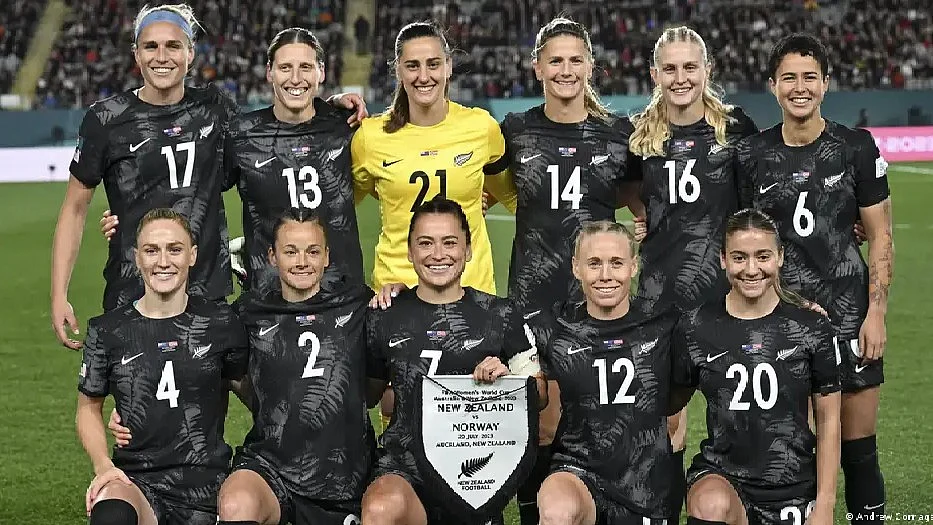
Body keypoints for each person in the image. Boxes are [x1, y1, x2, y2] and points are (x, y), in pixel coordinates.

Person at [111, 208, 376, 525]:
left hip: (343, 475)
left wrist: (396, 291)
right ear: (272, 256)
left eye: (312, 251)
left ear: (327, 256)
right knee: (237, 502)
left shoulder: (361, 304)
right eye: (290, 251)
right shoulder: (246, 314)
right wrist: (136, 407)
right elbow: (187, 356)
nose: (302, 261)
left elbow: (394, 367)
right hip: (271, 468)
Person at [481, 17, 638, 525]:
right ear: (537, 67)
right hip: (531, 295)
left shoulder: (619, 135)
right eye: (556, 60)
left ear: (591, 66)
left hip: (598, 299)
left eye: (576, 60)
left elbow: (642, 208)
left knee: (598, 418)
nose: (566, 70)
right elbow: (482, 189)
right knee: (539, 423)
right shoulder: (515, 130)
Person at [736, 34, 894, 523]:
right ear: (773, 86)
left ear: (826, 83)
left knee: (859, 453)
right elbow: (743, 242)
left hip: (851, 318)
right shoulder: (752, 155)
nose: (799, 87)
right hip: (785, 323)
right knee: (797, 455)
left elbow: (882, 236)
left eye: (809, 77)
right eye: (789, 77)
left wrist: (877, 315)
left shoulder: (856, 148)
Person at [51, 3, 239, 351]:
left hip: (204, 289)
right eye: (151, 46)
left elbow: (271, 148)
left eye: (173, 45)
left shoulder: (215, 109)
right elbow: (75, 209)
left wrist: (328, 105)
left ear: (191, 53)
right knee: (132, 404)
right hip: (132, 289)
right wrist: (59, 294)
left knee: (206, 406)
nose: (161, 56)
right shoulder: (106, 119)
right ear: (136, 54)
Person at [361, 196, 545, 525]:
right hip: (406, 470)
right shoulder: (385, 316)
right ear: (409, 252)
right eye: (425, 243)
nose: (438, 254)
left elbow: (541, 395)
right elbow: (372, 395)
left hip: (476, 470)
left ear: (469, 249)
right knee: (379, 509)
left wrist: (510, 383)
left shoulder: (501, 314)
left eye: (450, 242)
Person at [77, 208, 248, 525]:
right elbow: (88, 407)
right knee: (110, 511)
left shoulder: (221, 323)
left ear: (192, 255)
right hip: (137, 479)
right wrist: (103, 466)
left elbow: (250, 391)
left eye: (175, 249)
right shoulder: (107, 330)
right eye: (151, 250)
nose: (163, 261)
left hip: (208, 482)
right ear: (136, 257)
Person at [671, 208, 841, 525]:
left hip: (792, 487)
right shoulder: (695, 326)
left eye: (762, 256)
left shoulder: (811, 327)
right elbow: (670, 403)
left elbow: (829, 421)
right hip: (723, 476)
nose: (751, 269)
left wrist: (826, 506)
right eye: (739, 257)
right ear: (722, 259)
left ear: (780, 256)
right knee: (710, 505)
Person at [351, 21, 514, 296]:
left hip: (472, 292)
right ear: (398, 70)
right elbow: (338, 208)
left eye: (434, 64)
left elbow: (513, 196)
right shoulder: (370, 137)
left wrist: (476, 197)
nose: (423, 76)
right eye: (412, 65)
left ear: (448, 66)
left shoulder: (481, 127)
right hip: (397, 294)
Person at [536, 220, 682, 525]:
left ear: (634, 266)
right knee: (556, 511)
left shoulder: (666, 323)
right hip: (578, 472)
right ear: (576, 267)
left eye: (616, 263)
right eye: (594, 263)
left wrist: (795, 310)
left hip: (646, 485)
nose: (605, 275)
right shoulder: (554, 327)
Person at [224, 27, 364, 297]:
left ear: (321, 72)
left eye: (306, 67)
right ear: (269, 72)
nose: (296, 78)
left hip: (340, 301)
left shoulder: (347, 126)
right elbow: (199, 190)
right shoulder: (241, 135)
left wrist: (334, 102)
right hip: (269, 301)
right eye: (285, 67)